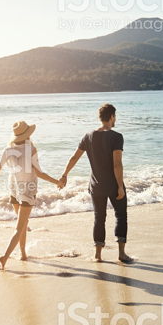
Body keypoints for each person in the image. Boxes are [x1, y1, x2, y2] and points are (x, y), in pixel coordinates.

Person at [0, 120, 64, 269]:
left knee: (23, 224)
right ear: (27, 134)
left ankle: (23, 254)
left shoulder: (8, 150)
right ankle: (5, 257)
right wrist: (57, 182)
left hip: (14, 191)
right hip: (28, 191)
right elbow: (40, 173)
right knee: (19, 227)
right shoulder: (32, 150)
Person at [60, 103, 132, 263]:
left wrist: (64, 174)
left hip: (96, 185)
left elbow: (74, 157)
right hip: (113, 185)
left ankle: (97, 256)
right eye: (115, 116)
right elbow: (117, 164)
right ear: (112, 117)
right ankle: (121, 254)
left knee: (99, 218)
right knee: (121, 216)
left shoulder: (88, 136)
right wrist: (120, 186)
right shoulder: (116, 136)